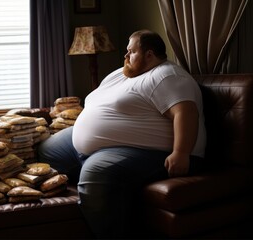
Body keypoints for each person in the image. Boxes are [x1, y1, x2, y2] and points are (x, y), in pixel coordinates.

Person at [38, 29, 206, 238]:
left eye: (131, 52)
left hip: (148, 151)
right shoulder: (123, 74)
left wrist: (181, 153)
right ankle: (95, 169)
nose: (125, 56)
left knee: (96, 173)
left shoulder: (166, 76)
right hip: (104, 147)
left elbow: (186, 112)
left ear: (149, 55)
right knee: (46, 151)